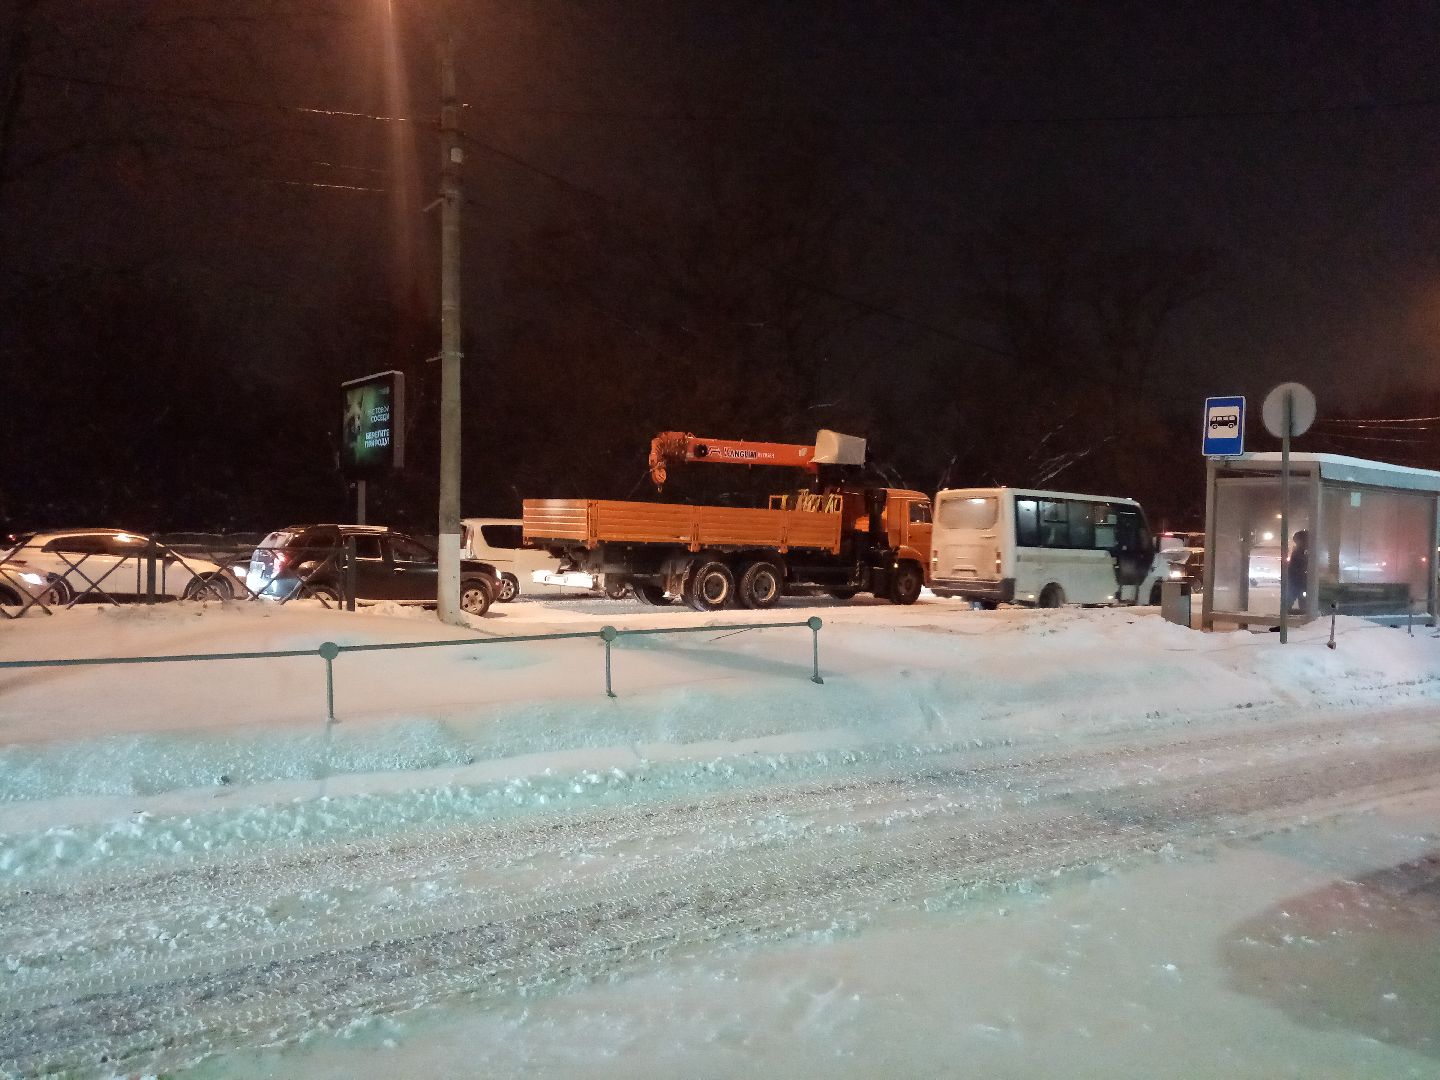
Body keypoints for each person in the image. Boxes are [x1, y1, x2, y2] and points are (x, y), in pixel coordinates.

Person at [1286, 530, 1310, 613]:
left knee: (1296, 597)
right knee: (1300, 598)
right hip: (1298, 580)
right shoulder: (1300, 551)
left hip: (1297, 580)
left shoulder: (1299, 550)